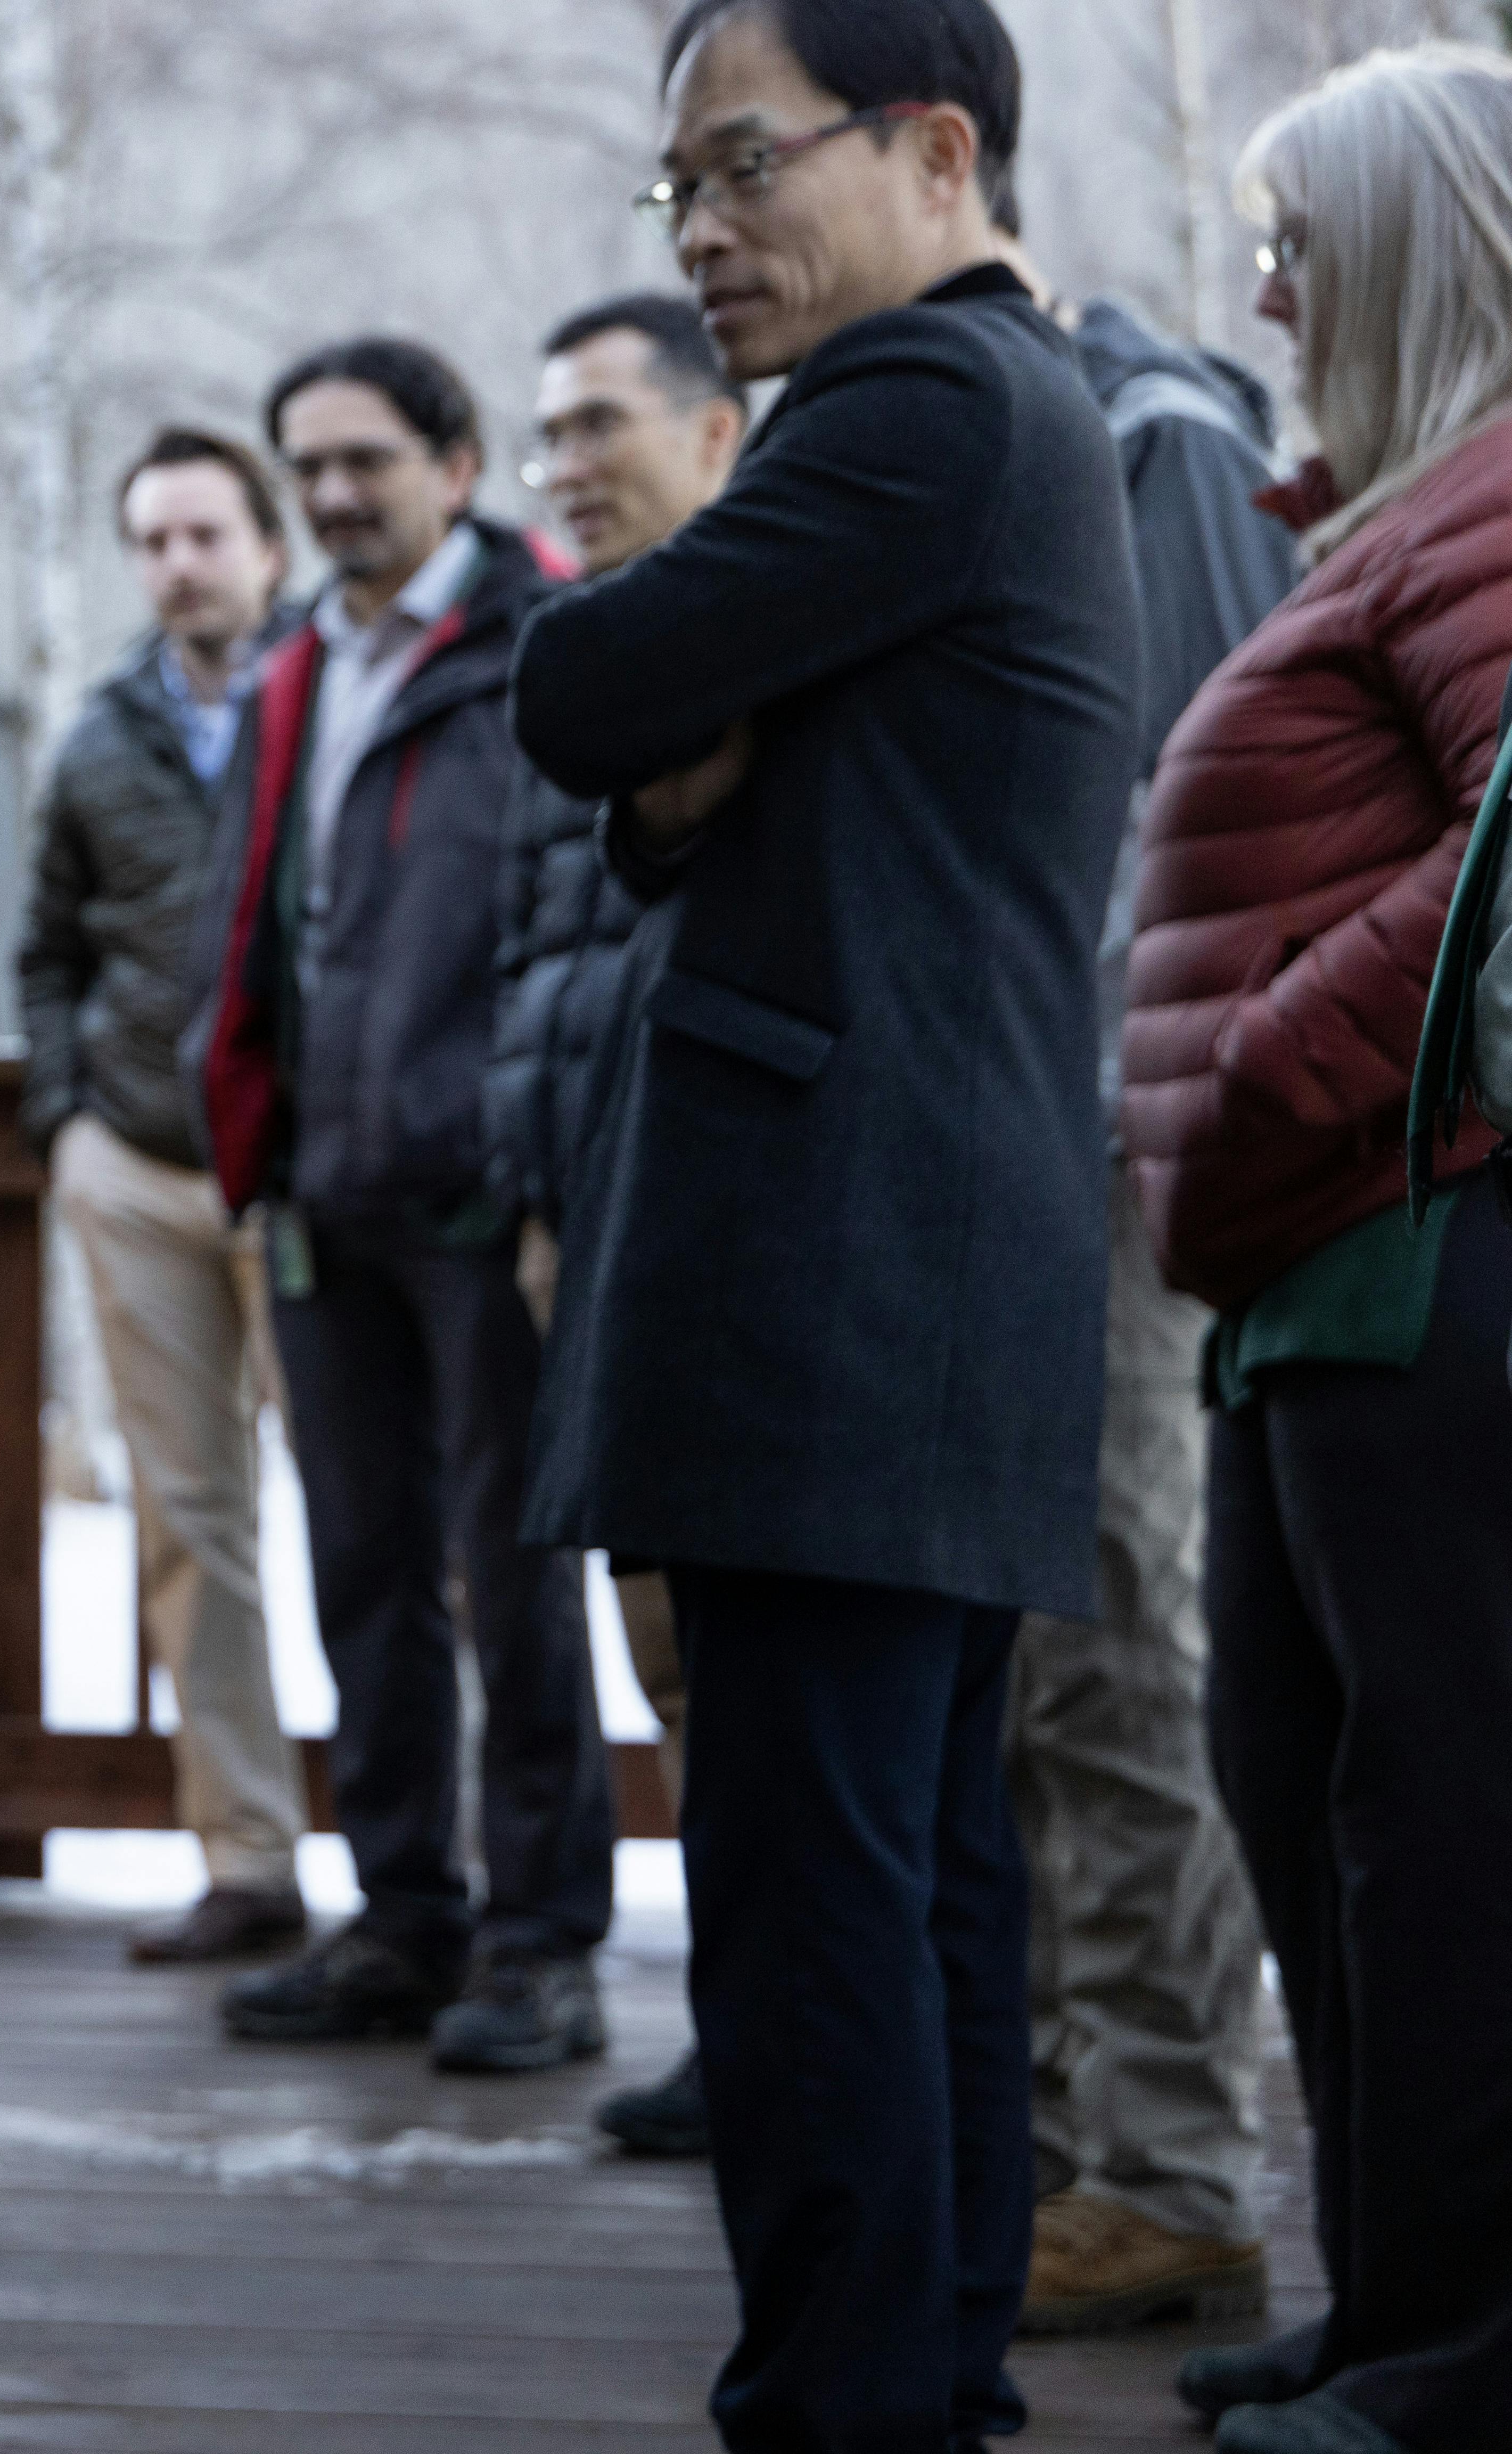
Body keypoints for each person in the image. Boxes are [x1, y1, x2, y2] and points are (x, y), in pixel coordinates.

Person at [510, 2, 1137, 2442]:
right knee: (912, 1876)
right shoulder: (996, 405)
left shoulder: (915, 405)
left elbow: (583, 682)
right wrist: (675, 773)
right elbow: (679, 777)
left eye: (741, 165)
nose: (698, 228)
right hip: (929, 1246)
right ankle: (918, 2376)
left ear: (933, 146)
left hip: (839, 1255)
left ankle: (850, 2403)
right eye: (670, 186)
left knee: (811, 1900)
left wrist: (660, 737)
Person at [1122, 44, 1512, 2451]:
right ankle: (1392, 2304)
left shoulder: (1493, 501)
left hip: (1418, 1239)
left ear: (1413, 246)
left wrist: (1284, 1043)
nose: (1263, 292)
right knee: (1315, 1787)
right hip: (1316, 1258)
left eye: (1295, 245)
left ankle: (1467, 2354)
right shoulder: (1395, 515)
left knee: (1444, 1813)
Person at [194, 337, 619, 2077]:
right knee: (361, 1568)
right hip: (324, 1180)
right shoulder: (299, 659)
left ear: (456, 465)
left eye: (366, 458)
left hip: (483, 1189)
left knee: (517, 1579)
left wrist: (529, 1146)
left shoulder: (547, 644)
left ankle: (542, 1941)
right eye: (307, 464)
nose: (333, 492)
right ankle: (401, 1914)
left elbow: (573, 908)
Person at [1006, 257, 1299, 2340]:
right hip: (1015, 1151)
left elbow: (1207, 837)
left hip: (1114, 1154)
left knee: (1118, 1650)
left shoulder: (1150, 434)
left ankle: (1168, 2169)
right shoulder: (992, 430)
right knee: (1038, 1664)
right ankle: (1056, 2142)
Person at [487, 290, 747, 2161]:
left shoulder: (764, 628)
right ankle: (742, 2026)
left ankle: (796, 2037)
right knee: (660, 1651)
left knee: (761, 1666)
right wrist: (530, 1191)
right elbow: (531, 956)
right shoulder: (581, 652)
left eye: (602, 425)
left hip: (718, 1216)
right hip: (579, 1207)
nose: (567, 465)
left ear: (717, 429)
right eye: (551, 436)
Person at [16, 428, 312, 1967]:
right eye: (152, 541)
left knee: (395, 1530)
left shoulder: (340, 695)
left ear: (269, 546)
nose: (179, 566)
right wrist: (65, 1120)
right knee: (189, 1524)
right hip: (137, 1166)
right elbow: (49, 950)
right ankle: (247, 1859)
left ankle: (441, 1869)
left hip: (315, 1171)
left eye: (205, 535)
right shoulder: (97, 739)